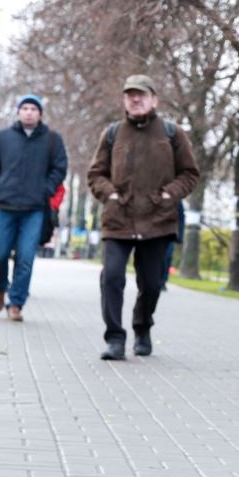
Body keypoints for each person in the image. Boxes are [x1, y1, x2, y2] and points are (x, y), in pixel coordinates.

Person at [87, 76, 199, 359]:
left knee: (151, 283)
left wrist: (168, 195)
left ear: (154, 100)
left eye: (141, 95)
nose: (135, 100)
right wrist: (110, 193)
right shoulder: (112, 134)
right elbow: (95, 174)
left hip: (157, 220)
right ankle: (114, 339)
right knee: (111, 276)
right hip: (119, 218)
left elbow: (189, 173)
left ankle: (142, 327)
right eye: (130, 95)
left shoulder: (172, 134)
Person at [0, 94, 69, 321]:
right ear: (19, 112)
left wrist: (45, 189)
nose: (29, 112)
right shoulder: (4, 137)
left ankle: (17, 303)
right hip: (6, 206)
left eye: (33, 108)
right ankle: (0, 288)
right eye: (25, 108)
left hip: (34, 209)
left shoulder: (52, 139)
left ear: (40, 113)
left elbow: (60, 168)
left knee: (25, 257)